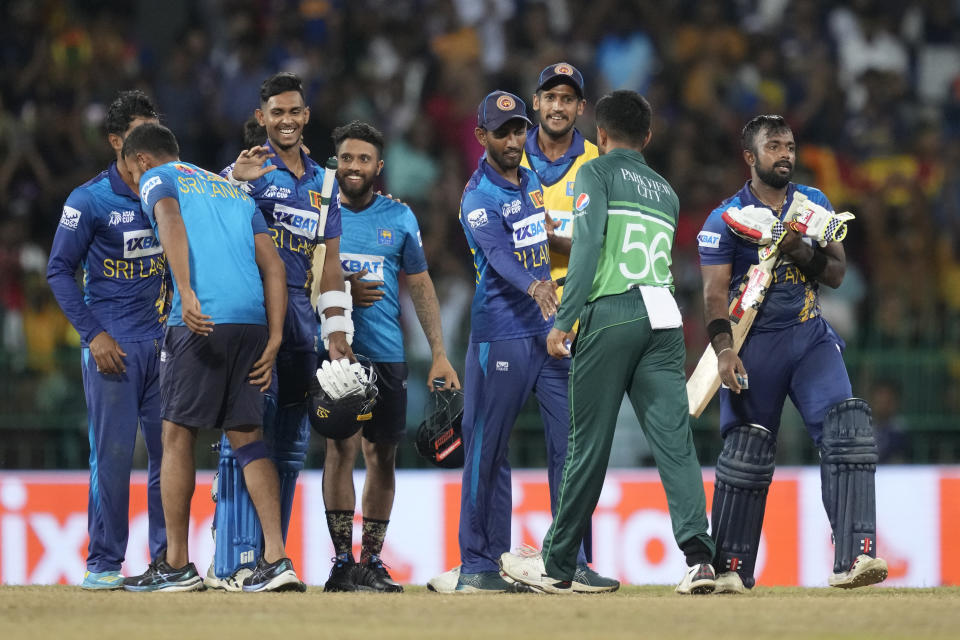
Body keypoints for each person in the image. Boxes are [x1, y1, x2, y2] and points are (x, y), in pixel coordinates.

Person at [499, 90, 717, 596]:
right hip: (662, 317)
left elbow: (590, 246)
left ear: (600, 135)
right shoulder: (666, 190)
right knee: (675, 442)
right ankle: (701, 559)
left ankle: (555, 563)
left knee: (586, 445)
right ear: (648, 136)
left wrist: (564, 320)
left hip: (612, 311)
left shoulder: (595, 173)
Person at [696, 114, 887, 592]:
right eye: (774, 146)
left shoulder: (814, 204)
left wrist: (798, 249)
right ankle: (732, 571)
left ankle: (855, 559)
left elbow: (837, 274)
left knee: (847, 430)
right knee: (746, 454)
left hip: (809, 338)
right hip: (752, 347)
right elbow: (714, 297)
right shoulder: (724, 219)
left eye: (790, 146)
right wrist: (723, 353)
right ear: (750, 156)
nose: (785, 155)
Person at [120, 123, 302, 592]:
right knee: (247, 436)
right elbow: (274, 265)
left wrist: (186, 291)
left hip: (199, 320)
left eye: (130, 168)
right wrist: (276, 337)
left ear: (142, 160)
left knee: (176, 436)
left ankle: (177, 563)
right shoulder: (232, 189)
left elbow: (171, 222)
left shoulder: (158, 178)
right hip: (253, 323)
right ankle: (277, 558)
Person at [449, 90, 612, 594]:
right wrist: (536, 284)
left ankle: (570, 560)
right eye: (503, 132)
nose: (515, 140)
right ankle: (480, 563)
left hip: (549, 331)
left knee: (572, 447)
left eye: (519, 129)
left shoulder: (533, 181)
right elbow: (497, 254)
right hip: (501, 333)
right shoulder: (477, 197)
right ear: (482, 137)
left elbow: (540, 238)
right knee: (487, 449)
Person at [204, 72, 352, 590]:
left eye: (294, 112)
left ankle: (273, 559)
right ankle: (234, 560)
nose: (286, 120)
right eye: (277, 113)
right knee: (244, 433)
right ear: (262, 117)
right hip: (252, 313)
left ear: (305, 116)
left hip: (302, 323)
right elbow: (210, 223)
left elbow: (329, 260)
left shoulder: (323, 182)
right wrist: (233, 181)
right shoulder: (247, 169)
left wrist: (337, 330)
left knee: (290, 445)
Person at [319, 120, 460, 593]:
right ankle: (341, 562)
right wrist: (341, 291)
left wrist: (439, 353)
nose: (353, 167)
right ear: (334, 162)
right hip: (338, 354)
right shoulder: (317, 213)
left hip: (387, 355)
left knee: (382, 457)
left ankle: (371, 561)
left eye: (363, 159)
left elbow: (420, 286)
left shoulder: (399, 219)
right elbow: (296, 277)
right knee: (339, 450)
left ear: (379, 167)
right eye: (346, 158)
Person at [46, 90, 167, 590]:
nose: (149, 149)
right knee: (113, 459)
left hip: (163, 346)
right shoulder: (88, 199)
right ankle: (103, 564)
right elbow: (57, 270)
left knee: (171, 458)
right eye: (139, 136)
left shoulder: (171, 190)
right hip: (112, 349)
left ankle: (169, 560)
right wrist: (93, 334)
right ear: (116, 141)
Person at [520, 63, 598, 288]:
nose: (558, 107)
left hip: (574, 313)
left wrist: (552, 241)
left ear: (581, 107)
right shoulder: (510, 155)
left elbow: (605, 248)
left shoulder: (597, 164)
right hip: (516, 309)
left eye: (567, 99)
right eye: (550, 97)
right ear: (536, 101)